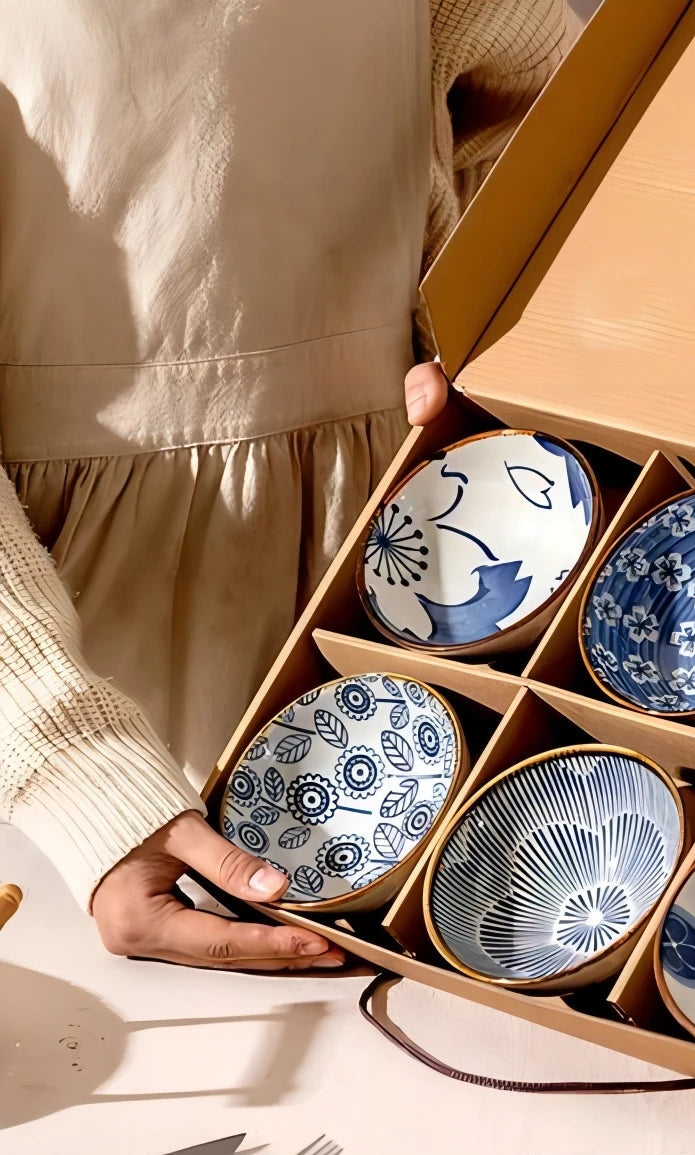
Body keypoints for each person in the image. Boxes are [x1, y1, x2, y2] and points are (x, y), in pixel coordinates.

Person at [0, 1, 579, 970]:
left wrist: (503, 322)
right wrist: (71, 769)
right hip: (62, 707)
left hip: (420, 579)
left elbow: (561, 126)